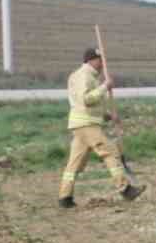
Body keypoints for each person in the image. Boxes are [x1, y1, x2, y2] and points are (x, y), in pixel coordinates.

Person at [60, 47, 141, 209]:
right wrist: (105, 86)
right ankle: (125, 189)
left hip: (81, 123)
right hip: (86, 123)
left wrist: (109, 116)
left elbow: (91, 104)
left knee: (74, 163)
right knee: (110, 151)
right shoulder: (84, 76)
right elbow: (86, 100)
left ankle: (65, 197)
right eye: (100, 60)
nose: (103, 63)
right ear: (90, 60)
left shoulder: (86, 76)